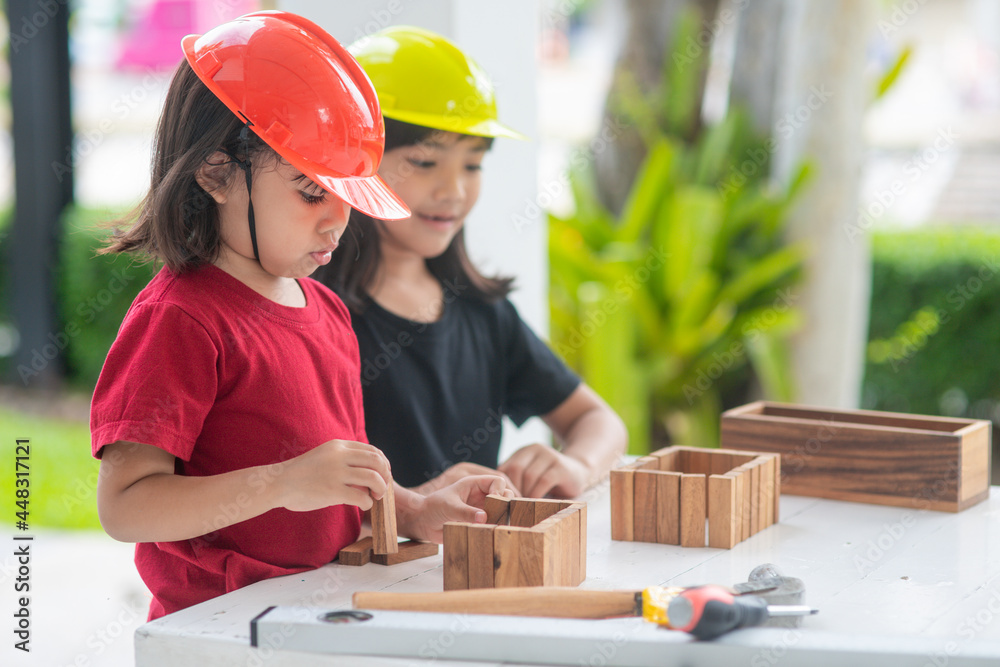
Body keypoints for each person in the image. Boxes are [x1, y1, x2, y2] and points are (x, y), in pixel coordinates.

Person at [90, 12, 511, 621]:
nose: (336, 221)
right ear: (215, 173)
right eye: (312, 191)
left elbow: (337, 481)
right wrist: (283, 484)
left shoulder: (327, 311)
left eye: (346, 197)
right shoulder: (179, 320)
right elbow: (125, 507)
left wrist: (413, 507)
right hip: (221, 633)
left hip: (318, 616)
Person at [313, 26, 628, 500]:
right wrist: (418, 504)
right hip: (359, 575)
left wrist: (575, 464)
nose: (454, 191)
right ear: (355, 162)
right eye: (424, 162)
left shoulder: (482, 310)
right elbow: (302, 487)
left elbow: (598, 420)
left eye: (472, 165)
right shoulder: (310, 311)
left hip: (474, 570)